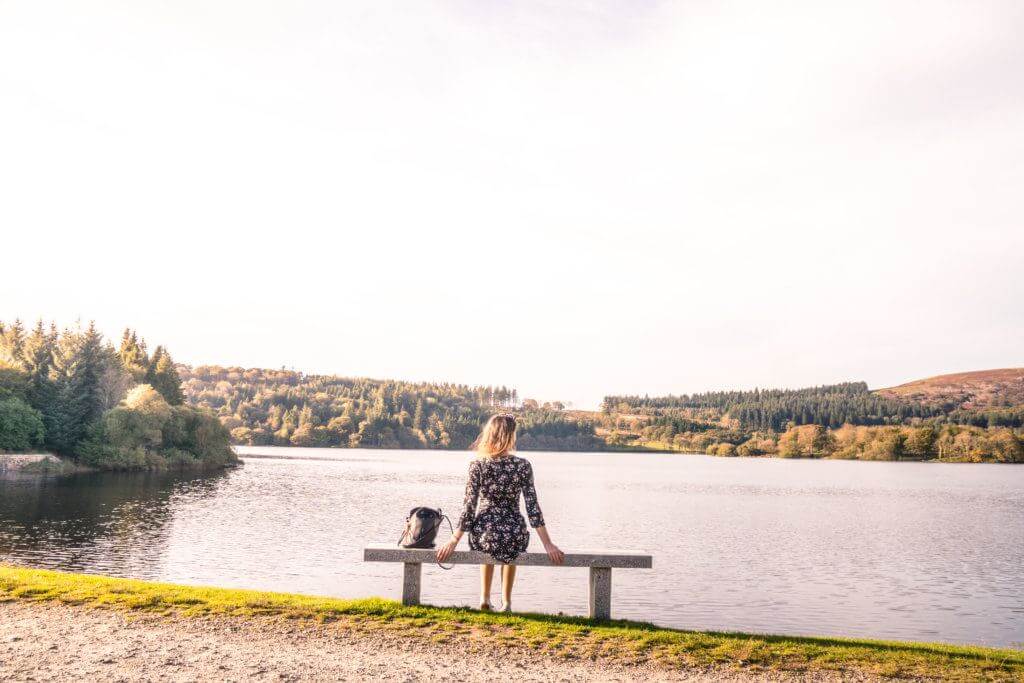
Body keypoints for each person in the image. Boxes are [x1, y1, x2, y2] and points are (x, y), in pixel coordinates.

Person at [436, 413, 564, 612]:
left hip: (485, 531)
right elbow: (533, 508)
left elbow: (469, 507)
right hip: (514, 530)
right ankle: (506, 602)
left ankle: (484, 598)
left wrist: (454, 540)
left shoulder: (477, 465)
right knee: (510, 542)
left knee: (489, 541)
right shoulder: (522, 466)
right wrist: (548, 544)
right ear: (510, 436)